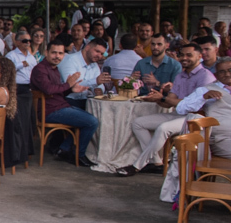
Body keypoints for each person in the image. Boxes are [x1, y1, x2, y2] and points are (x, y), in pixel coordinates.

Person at [117, 43, 215, 176]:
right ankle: (156, 162)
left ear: (200, 57)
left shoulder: (205, 76)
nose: (184, 58)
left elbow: (194, 104)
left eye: (189, 55)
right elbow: (169, 102)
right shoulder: (181, 75)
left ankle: (136, 166)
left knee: (163, 128)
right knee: (138, 123)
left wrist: (164, 98)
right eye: (182, 55)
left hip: (197, 118)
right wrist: (157, 98)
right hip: (179, 114)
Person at [31, 40, 98, 166]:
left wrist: (71, 89)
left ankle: (64, 149)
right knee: (91, 122)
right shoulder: (40, 69)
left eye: (60, 53)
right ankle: (78, 154)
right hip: (49, 111)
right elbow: (49, 89)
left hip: (59, 106)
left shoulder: (54, 69)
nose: (57, 56)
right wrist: (68, 84)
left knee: (90, 119)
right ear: (46, 52)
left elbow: (57, 92)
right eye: (54, 53)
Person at [174, 57, 231, 157]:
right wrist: (203, 97)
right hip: (222, 138)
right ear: (216, 75)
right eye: (222, 72)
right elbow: (181, 108)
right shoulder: (206, 89)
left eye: (230, 70)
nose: (227, 74)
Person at [4, 33, 36, 166]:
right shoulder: (11, 56)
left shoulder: (31, 56)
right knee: (17, 122)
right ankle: (16, 154)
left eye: (29, 41)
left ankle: (25, 152)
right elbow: (7, 70)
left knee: (28, 122)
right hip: (16, 89)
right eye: (24, 41)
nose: (27, 43)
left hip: (28, 90)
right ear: (17, 42)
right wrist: (20, 64)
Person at [57, 38, 111, 104]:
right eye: (97, 51)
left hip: (86, 100)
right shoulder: (70, 60)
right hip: (67, 100)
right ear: (87, 47)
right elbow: (72, 85)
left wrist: (99, 89)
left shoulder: (95, 65)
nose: (99, 56)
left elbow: (100, 84)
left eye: (101, 54)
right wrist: (96, 81)